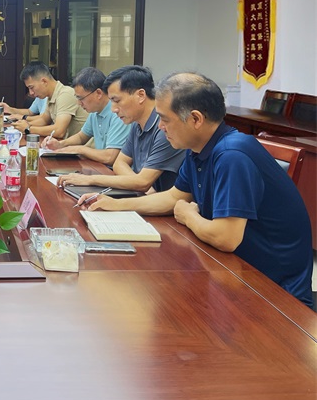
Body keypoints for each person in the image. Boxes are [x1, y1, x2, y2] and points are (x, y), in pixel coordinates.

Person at [85, 73, 313, 308]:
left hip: (274, 292)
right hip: (233, 270)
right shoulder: (197, 149)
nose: (160, 126)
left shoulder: (232, 156)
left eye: (165, 119)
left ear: (195, 119)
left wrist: (188, 216)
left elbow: (226, 238)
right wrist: (116, 205)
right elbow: (174, 197)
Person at [58, 65, 185, 193]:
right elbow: (119, 163)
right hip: (147, 197)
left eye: (117, 100)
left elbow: (143, 182)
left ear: (141, 95)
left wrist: (90, 179)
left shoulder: (164, 127)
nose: (113, 109)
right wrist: (137, 183)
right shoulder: (136, 123)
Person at [43, 67, 130, 165]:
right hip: (100, 166)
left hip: (112, 171)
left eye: (81, 98)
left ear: (98, 93)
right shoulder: (95, 112)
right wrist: (60, 144)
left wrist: (79, 149)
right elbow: (81, 137)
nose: (79, 103)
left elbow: (110, 157)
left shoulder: (118, 114)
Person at [12, 61, 88, 139]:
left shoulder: (65, 94)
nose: (31, 93)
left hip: (79, 144)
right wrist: (19, 125)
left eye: (31, 87)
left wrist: (28, 129)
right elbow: (44, 120)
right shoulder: (51, 96)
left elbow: (59, 131)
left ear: (44, 81)